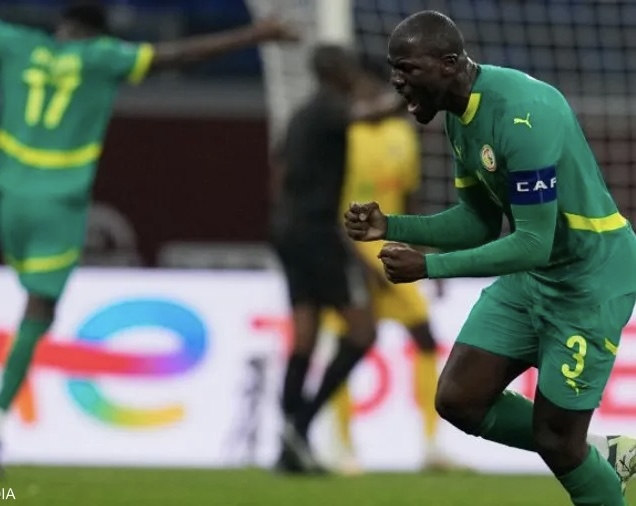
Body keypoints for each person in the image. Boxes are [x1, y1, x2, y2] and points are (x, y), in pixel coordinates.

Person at [344, 10, 636, 504]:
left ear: (449, 64)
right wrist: (390, 226)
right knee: (459, 400)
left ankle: (583, 453)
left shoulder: (524, 115)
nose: (395, 80)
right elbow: (476, 221)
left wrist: (428, 266)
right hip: (536, 277)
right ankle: (601, 452)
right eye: (394, 68)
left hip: (590, 281)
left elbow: (533, 241)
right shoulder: (459, 119)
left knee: (557, 442)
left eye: (407, 68)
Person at [0, 2, 295, 454]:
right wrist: (254, 36)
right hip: (57, 201)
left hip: (7, 191)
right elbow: (174, 56)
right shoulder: (103, 56)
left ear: (63, 26)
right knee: (38, 309)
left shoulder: (19, 43)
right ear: (99, 33)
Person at [321, 67, 459, 474]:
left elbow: (410, 197)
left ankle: (432, 446)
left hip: (391, 252)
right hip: (350, 254)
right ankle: (341, 446)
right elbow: (327, 203)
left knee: (425, 336)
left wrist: (425, 255)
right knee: (349, 342)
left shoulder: (401, 135)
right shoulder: (344, 134)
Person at [270, 45, 401, 474]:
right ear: (338, 72)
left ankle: (289, 444)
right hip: (315, 232)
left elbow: (279, 168)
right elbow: (378, 113)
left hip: (288, 230)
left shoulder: (300, 115)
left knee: (304, 335)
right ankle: (301, 424)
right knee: (363, 332)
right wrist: (421, 89)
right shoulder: (330, 108)